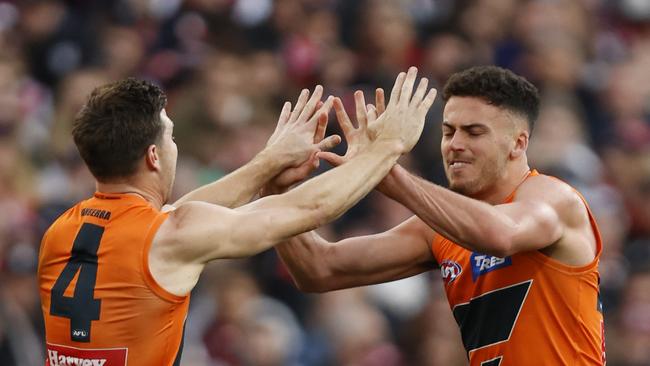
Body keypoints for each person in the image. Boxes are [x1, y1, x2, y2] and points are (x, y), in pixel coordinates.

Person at [38, 67, 438, 366]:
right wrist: (388, 146)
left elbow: (175, 216)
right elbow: (308, 208)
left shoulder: (60, 232)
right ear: (154, 156)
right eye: (171, 136)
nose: (175, 146)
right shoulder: (168, 234)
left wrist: (269, 162)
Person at [271, 66, 606, 365]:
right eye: (449, 132)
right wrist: (275, 189)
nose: (454, 144)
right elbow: (318, 269)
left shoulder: (555, 198)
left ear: (518, 144)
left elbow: (500, 236)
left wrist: (386, 173)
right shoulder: (440, 228)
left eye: (474, 132)